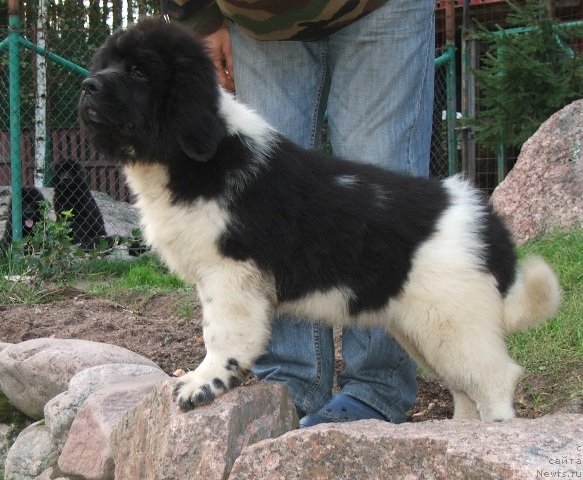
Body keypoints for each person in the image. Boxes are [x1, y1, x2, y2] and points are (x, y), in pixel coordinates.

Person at [168, 0, 435, 427]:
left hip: (383, 9)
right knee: (266, 202)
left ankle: (376, 390)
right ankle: (291, 383)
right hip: (261, 25)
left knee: (385, 191)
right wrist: (199, 18)